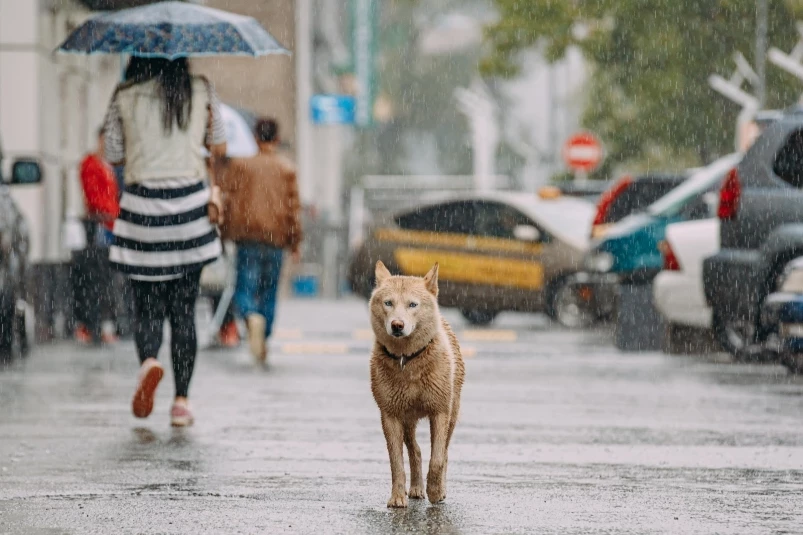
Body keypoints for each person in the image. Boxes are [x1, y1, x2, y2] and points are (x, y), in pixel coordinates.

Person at [103, 57, 226, 427]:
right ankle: (181, 402)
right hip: (188, 213)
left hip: (143, 213)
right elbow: (218, 144)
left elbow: (113, 153)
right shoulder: (201, 89)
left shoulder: (124, 94)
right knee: (183, 310)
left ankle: (148, 361)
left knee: (147, 307)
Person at [219, 118, 302, 365]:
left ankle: (249, 315)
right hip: (276, 238)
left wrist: (223, 233)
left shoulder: (241, 166)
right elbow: (293, 210)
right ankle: (263, 338)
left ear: (255, 138)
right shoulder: (286, 169)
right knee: (269, 291)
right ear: (276, 139)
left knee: (244, 288)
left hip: (248, 238)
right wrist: (295, 242)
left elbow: (228, 201)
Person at [72, 128, 120, 345]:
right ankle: (94, 325)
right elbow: (95, 197)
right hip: (100, 226)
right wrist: (114, 214)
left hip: (110, 225)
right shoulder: (91, 164)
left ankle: (102, 325)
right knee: (98, 280)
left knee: (107, 279)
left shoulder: (107, 165)